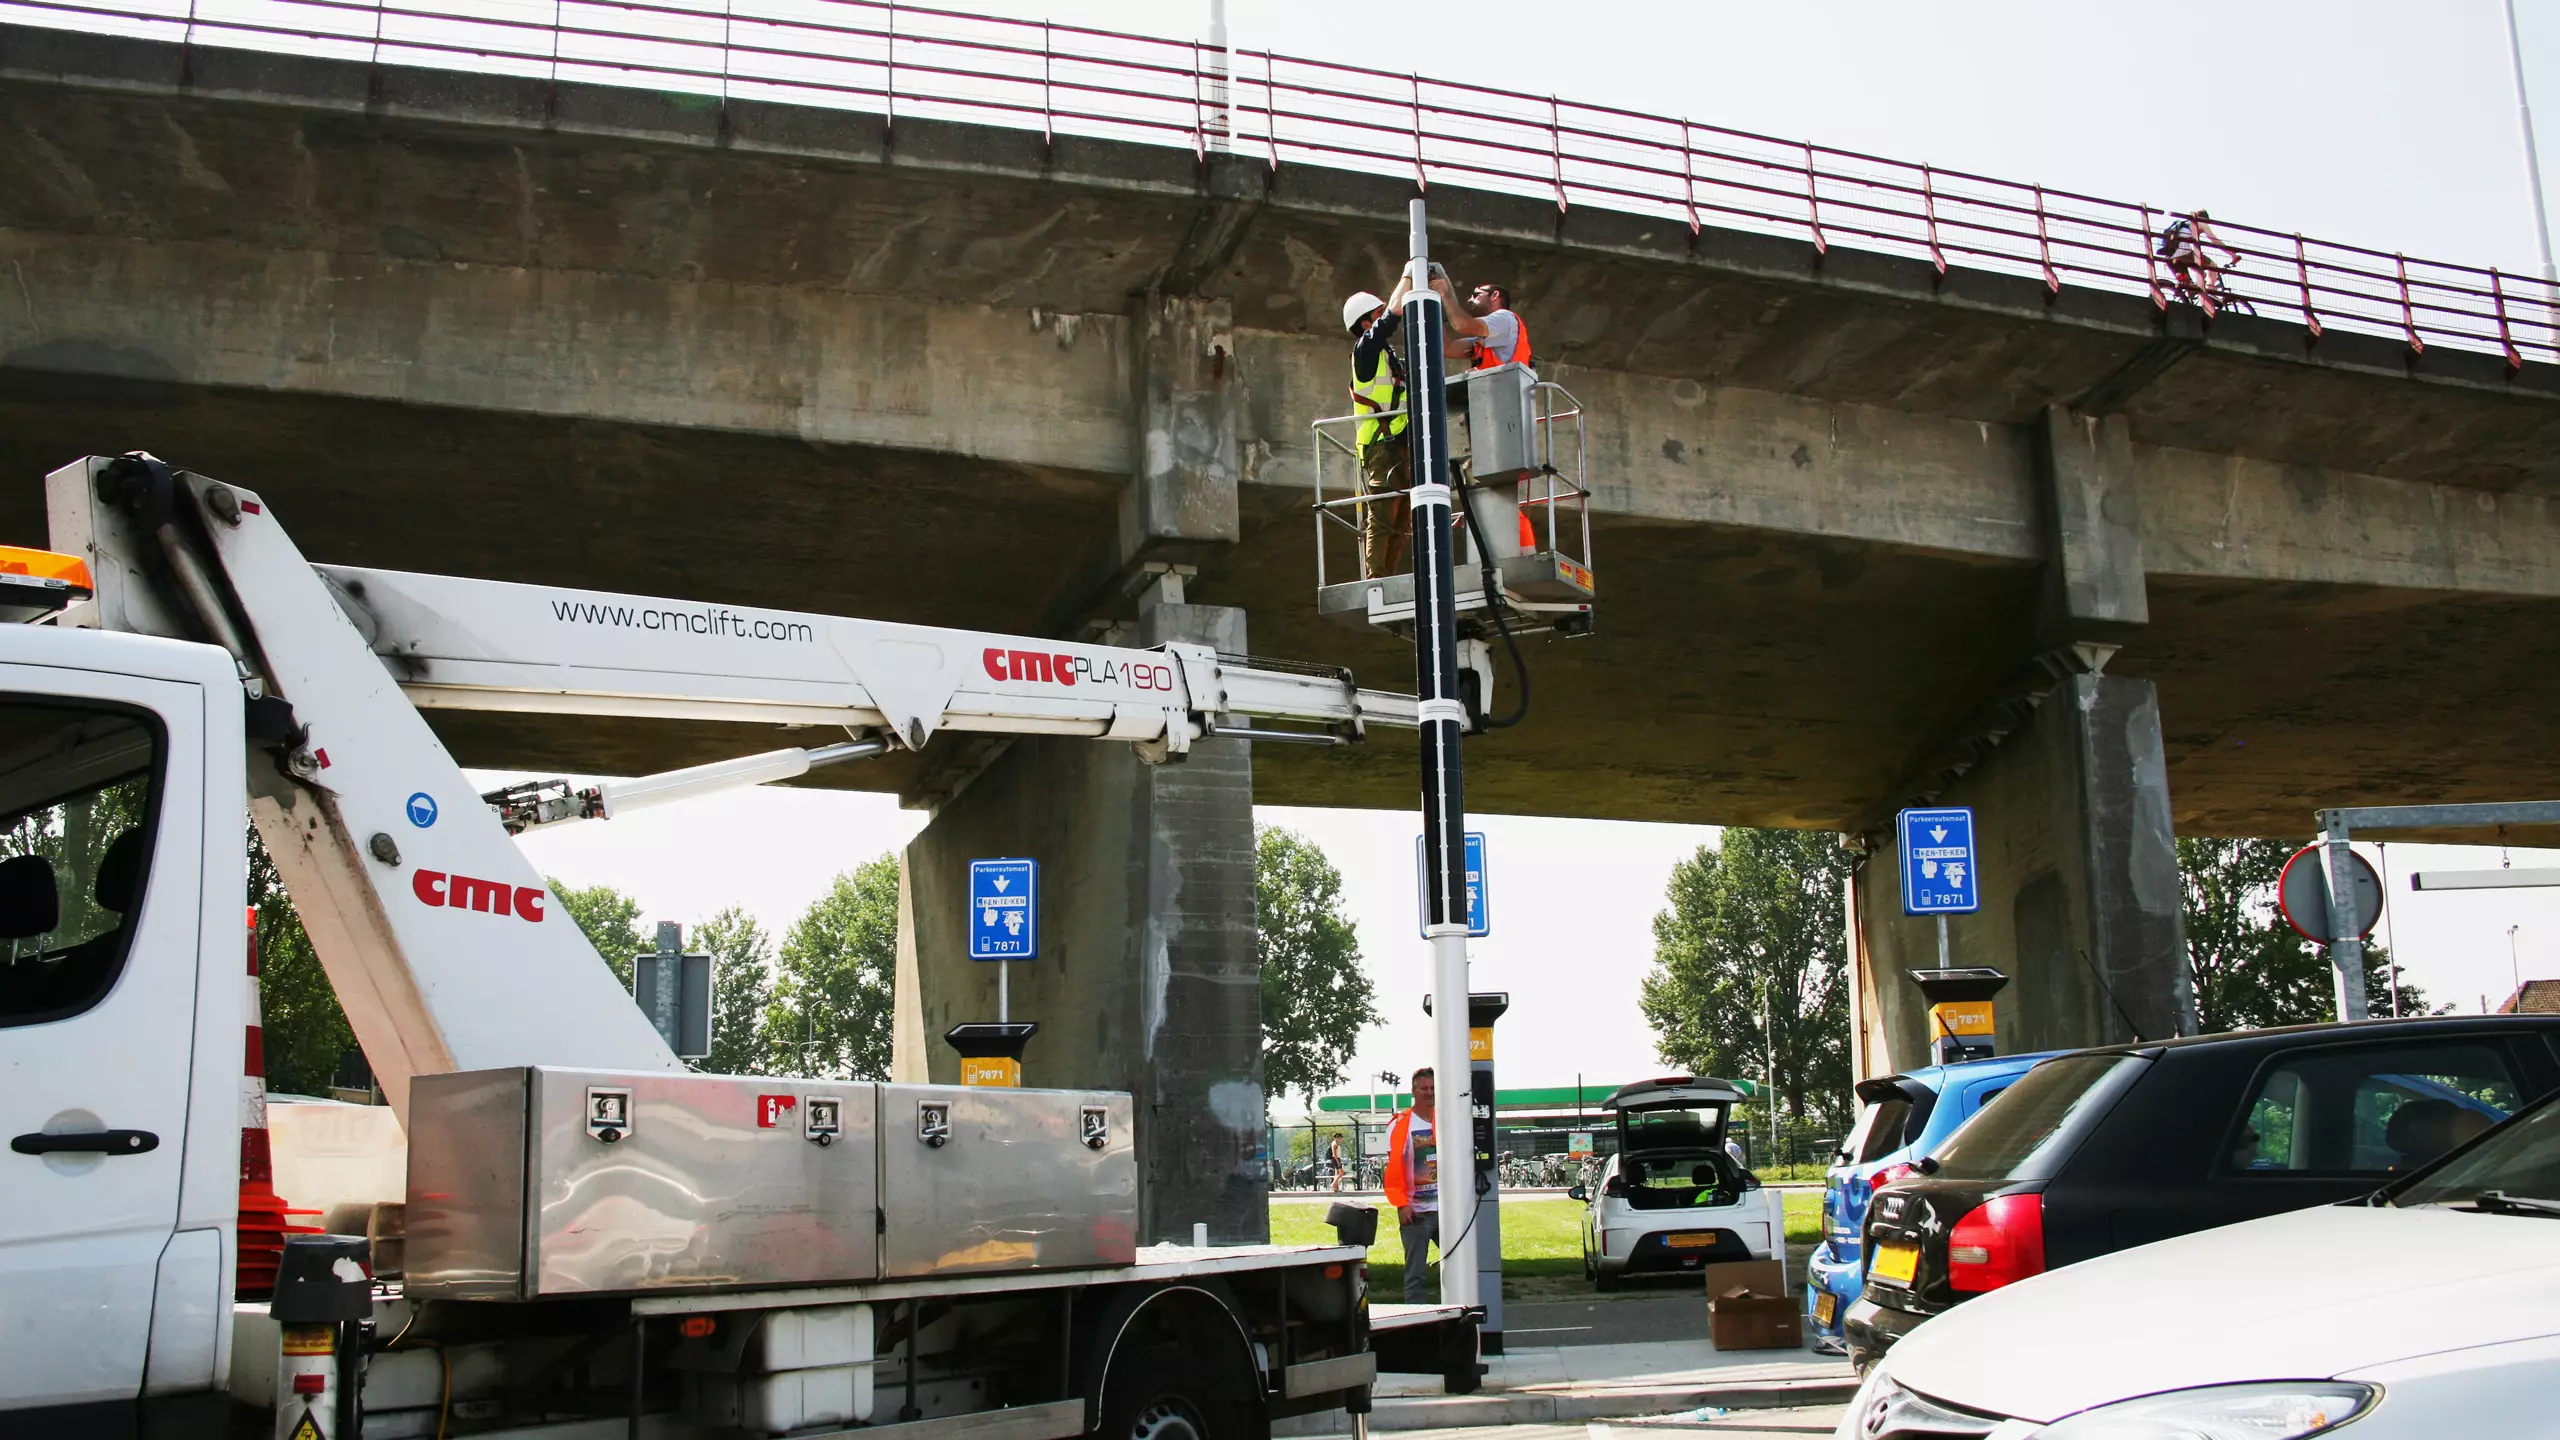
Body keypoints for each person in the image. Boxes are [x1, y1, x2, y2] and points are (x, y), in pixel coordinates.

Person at [1342, 271, 1486, 578]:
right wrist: (1409, 276)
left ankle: (1388, 575)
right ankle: (1377, 578)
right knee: (1383, 515)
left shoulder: (1386, 356)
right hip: (1380, 445)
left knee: (1401, 518)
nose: (1382, 316)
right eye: (1376, 314)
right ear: (1365, 323)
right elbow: (1391, 316)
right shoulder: (1366, 352)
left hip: (1399, 443)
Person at [1381, 1066, 1440, 1303]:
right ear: (1413, 1091)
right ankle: (1417, 1322)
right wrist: (1402, 1205)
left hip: (1449, 1210)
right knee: (1416, 1274)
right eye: (1424, 1088)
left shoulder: (1449, 1117)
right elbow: (1394, 1168)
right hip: (1416, 1213)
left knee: (1462, 1266)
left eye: (1433, 1088)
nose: (1429, 1093)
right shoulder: (1400, 1124)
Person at [2159, 208, 2237, 306]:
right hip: (2183, 253)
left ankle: (2191, 297)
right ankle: (2210, 292)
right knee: (2212, 265)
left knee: (2193, 284)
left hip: (2170, 257)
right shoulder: (2201, 223)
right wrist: (2232, 254)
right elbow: (2215, 241)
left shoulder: (2184, 223)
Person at [1462, 282, 1531, 370]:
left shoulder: (1504, 316)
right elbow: (1447, 348)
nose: (1470, 300)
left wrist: (1446, 295)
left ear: (1494, 295)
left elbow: (1462, 325)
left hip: (1507, 381)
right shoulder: (1481, 342)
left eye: (1476, 295)